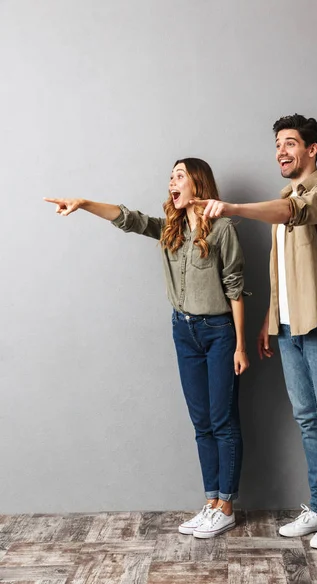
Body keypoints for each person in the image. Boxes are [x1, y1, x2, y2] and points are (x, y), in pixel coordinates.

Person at [44, 157, 249, 538]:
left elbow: (235, 288)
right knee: (201, 422)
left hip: (219, 332)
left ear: (197, 185)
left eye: (180, 176)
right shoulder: (169, 230)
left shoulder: (222, 230)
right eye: (171, 176)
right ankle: (210, 502)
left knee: (222, 420)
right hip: (183, 332)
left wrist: (240, 345)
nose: (172, 181)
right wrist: (85, 203)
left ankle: (226, 505)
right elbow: (129, 218)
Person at [192, 115, 317, 550]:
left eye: (289, 144)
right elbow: (282, 270)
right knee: (306, 421)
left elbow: (292, 213)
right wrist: (269, 319)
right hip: (287, 325)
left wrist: (233, 208)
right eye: (278, 145)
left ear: (312, 149)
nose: (281, 152)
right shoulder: (285, 195)